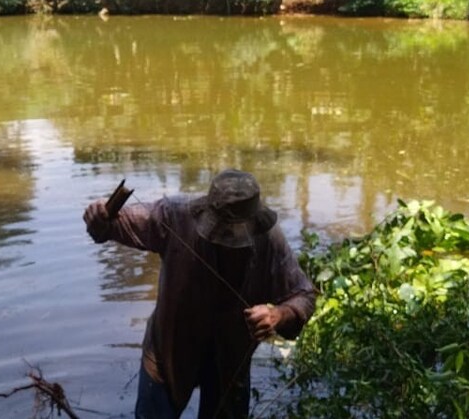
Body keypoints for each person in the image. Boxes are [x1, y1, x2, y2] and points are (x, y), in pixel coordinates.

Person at [83, 169, 317, 419]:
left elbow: (304, 295)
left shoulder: (269, 240)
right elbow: (111, 225)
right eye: (221, 232)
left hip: (231, 360)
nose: (227, 242)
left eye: (234, 235)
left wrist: (278, 315)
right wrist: (98, 214)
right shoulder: (175, 215)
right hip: (169, 353)